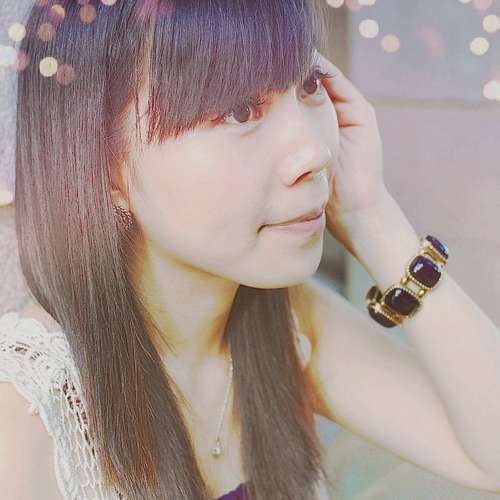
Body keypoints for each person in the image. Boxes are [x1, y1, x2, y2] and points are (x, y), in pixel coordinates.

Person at [3, 1, 500, 499]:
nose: (315, 152)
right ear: (103, 164)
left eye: (309, 85)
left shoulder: (291, 322)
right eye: (240, 111)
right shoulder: (27, 412)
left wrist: (371, 215)